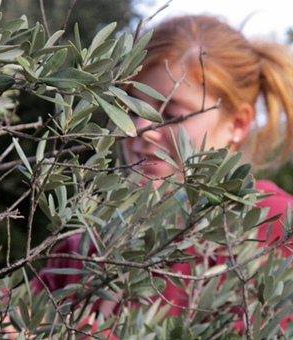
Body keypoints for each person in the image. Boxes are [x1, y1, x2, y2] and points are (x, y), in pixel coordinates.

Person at [32, 14, 293, 335]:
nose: (139, 130)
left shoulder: (274, 226)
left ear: (237, 124)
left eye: (171, 115)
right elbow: (13, 318)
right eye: (130, 107)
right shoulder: (85, 243)